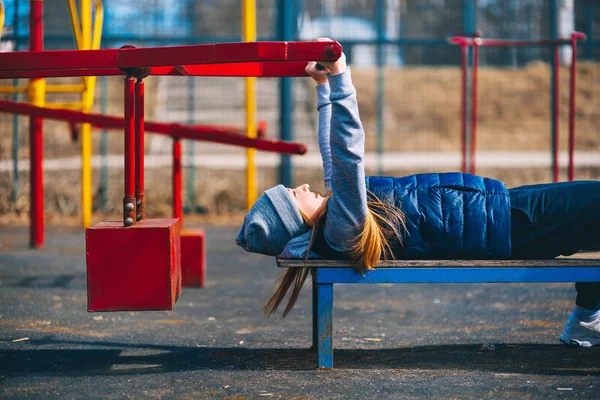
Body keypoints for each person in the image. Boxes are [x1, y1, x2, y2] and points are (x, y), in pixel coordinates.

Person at [235, 40, 600, 347]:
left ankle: (586, 319)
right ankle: (586, 320)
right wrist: (341, 77)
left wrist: (322, 89)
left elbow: (332, 158)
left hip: (499, 208)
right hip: (509, 225)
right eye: (293, 194)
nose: (301, 186)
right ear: (297, 219)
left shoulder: (336, 220)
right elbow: (347, 156)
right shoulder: (343, 229)